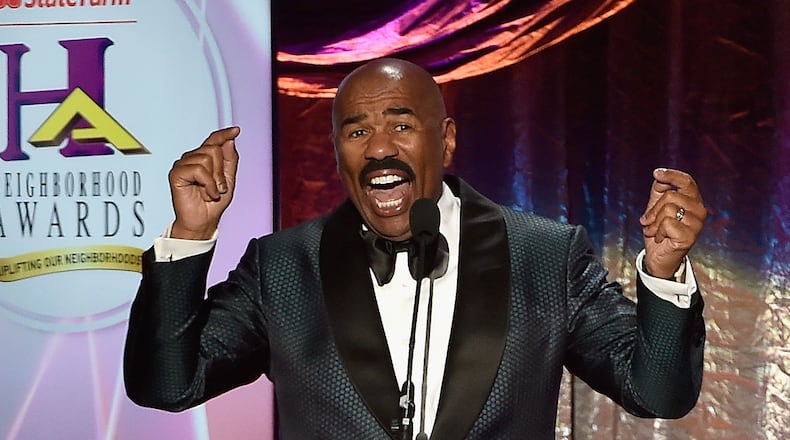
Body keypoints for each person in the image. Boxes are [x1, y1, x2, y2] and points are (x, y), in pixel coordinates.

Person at [124, 58, 707, 439]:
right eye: (356, 132)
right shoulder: (283, 266)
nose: (379, 148)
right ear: (336, 152)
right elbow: (168, 385)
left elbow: (655, 390)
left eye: (401, 125)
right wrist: (192, 235)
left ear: (446, 138)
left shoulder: (545, 255)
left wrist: (663, 270)